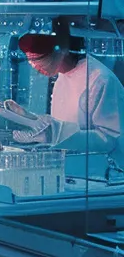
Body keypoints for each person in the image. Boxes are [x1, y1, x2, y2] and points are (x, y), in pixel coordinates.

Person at [10, 30, 124, 174]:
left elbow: (111, 139)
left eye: (39, 60)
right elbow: (63, 122)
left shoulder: (99, 79)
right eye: (31, 62)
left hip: (103, 175)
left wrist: (56, 133)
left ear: (61, 51)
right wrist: (29, 118)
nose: (36, 67)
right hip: (73, 171)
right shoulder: (62, 77)